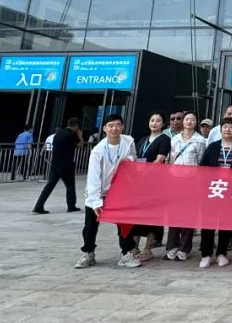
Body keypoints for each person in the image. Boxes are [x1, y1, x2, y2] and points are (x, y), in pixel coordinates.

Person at [75, 113, 140, 269]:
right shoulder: (98, 151)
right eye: (110, 125)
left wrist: (129, 160)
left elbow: (133, 156)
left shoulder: (128, 141)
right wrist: (96, 201)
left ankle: (126, 253)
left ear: (122, 127)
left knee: (124, 224)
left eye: (117, 125)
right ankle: (88, 252)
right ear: (104, 128)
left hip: (119, 191)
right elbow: (93, 178)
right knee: (90, 226)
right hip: (98, 191)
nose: (114, 128)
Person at [198, 116, 232, 269]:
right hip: (214, 190)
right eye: (225, 127)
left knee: (226, 222)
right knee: (208, 222)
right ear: (220, 130)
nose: (228, 129)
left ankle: (222, 253)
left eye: (231, 127)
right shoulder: (213, 147)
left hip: (231, 191)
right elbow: (203, 167)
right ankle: (206, 254)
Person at [165, 113, 206, 260]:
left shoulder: (200, 140)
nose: (189, 122)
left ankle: (184, 248)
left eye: (192, 119)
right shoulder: (175, 139)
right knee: (173, 214)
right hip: (175, 180)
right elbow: (170, 159)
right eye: (187, 119)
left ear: (196, 122)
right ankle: (172, 246)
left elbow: (200, 162)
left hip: (191, 181)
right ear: (183, 122)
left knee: (188, 214)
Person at [132, 113, 171, 260]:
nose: (154, 123)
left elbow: (160, 159)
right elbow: (135, 157)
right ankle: (134, 247)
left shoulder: (164, 139)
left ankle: (148, 248)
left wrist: (144, 172)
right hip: (139, 183)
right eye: (152, 120)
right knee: (136, 216)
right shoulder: (143, 139)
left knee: (151, 216)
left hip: (155, 183)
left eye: (158, 121)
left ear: (163, 124)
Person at [33, 118, 82, 214]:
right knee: (70, 186)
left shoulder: (58, 134)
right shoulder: (71, 134)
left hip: (55, 164)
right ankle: (71, 206)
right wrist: (80, 136)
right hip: (67, 165)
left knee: (49, 186)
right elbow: (80, 145)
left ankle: (38, 206)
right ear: (76, 125)